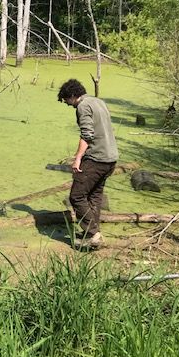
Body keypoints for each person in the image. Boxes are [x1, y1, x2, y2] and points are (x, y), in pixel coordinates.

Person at [57, 79, 118, 248]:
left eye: (66, 100)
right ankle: (91, 233)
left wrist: (77, 158)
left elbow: (87, 134)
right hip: (111, 158)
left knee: (76, 196)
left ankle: (93, 233)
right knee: (94, 196)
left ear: (72, 96)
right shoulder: (98, 102)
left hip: (96, 158)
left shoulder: (83, 106)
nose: (67, 104)